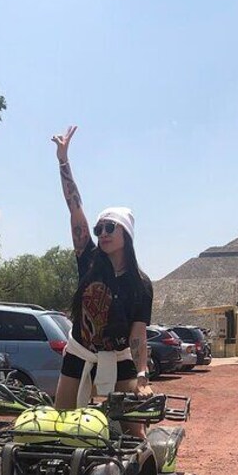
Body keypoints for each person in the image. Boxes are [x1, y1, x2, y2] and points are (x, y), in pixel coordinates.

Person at [51, 125, 153, 419]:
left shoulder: (141, 285)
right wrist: (63, 161)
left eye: (110, 227)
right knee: (62, 422)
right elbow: (74, 207)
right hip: (79, 352)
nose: (102, 233)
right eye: (99, 229)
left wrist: (142, 374)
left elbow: (138, 334)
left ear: (127, 235)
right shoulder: (89, 259)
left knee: (132, 430)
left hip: (118, 357)